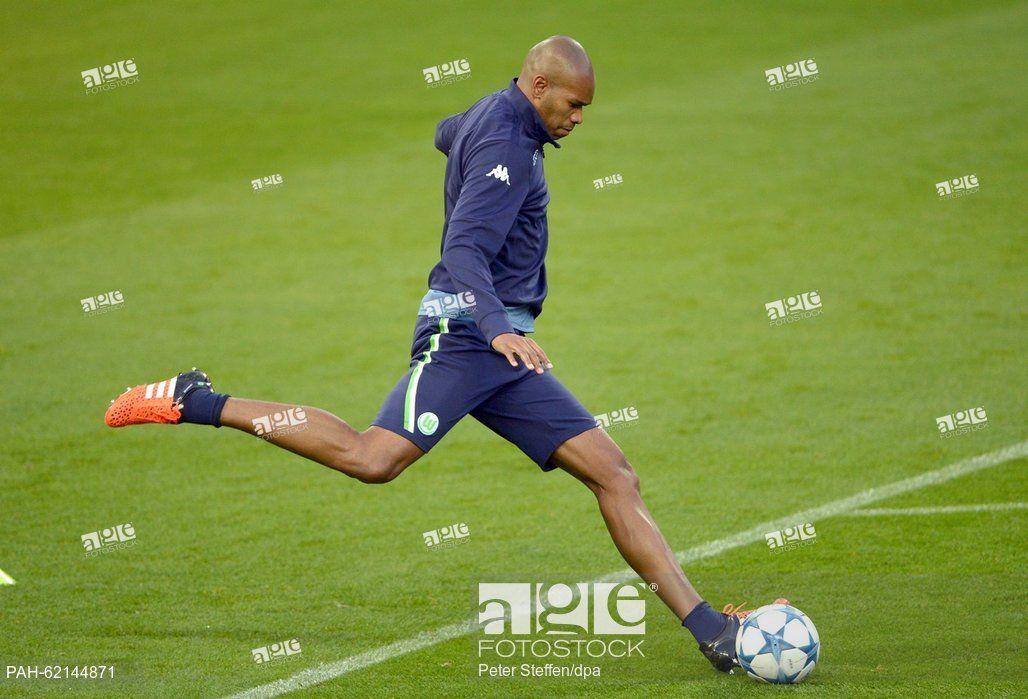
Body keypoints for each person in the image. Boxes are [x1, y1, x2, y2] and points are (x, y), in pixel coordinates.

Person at [104, 35, 783, 673]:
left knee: (614, 473)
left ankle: (712, 633)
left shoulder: (496, 116)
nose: (580, 118)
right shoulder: (510, 148)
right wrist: (494, 326)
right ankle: (197, 399)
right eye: (573, 104)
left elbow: (445, 131)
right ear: (539, 84)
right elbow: (462, 248)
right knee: (374, 458)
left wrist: (461, 149)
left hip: (504, 355)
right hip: (467, 338)